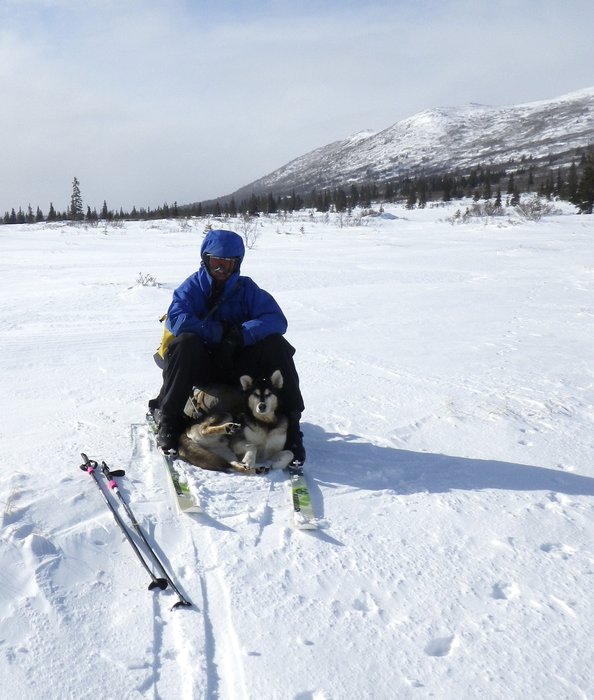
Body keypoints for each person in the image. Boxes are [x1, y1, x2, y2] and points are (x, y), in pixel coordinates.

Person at [150, 228, 306, 466]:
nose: (221, 270)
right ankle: (169, 422)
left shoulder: (246, 289)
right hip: (203, 365)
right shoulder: (192, 288)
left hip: (238, 364)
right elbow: (178, 318)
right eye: (216, 263)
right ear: (205, 260)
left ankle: (292, 428)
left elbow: (276, 320)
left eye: (228, 264)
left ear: (237, 264)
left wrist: (241, 335)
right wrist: (218, 333)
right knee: (185, 343)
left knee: (277, 345)